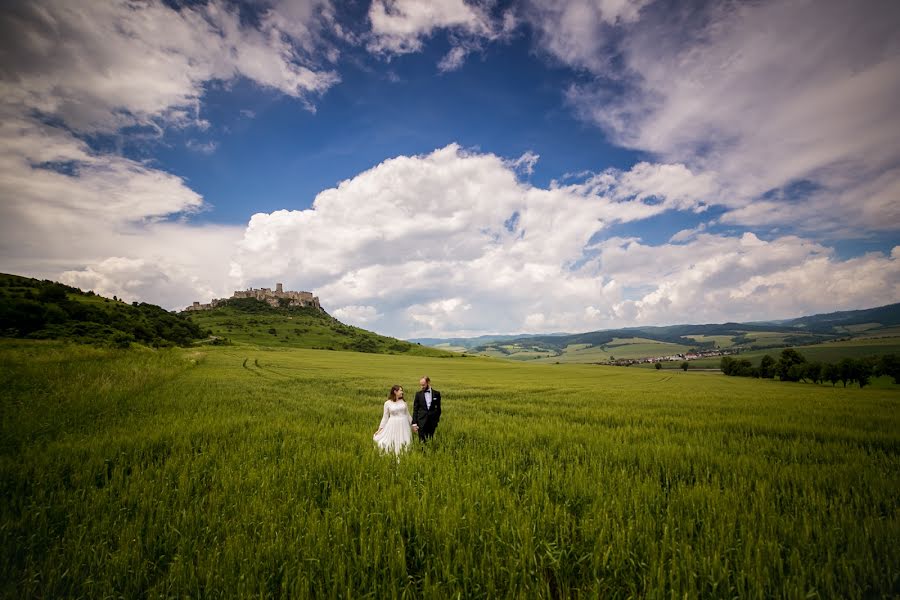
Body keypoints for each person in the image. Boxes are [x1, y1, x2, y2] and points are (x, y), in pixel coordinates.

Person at [373, 385, 412, 455]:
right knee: (392, 440)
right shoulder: (387, 403)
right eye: (400, 390)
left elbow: (408, 415)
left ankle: (404, 454)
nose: (402, 392)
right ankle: (393, 453)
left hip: (404, 424)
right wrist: (380, 429)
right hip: (393, 424)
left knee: (405, 440)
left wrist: (413, 424)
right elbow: (385, 417)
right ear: (395, 392)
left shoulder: (403, 402)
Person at [411, 376, 441, 441]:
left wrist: (436, 420)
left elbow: (438, 409)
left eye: (423, 385)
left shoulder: (436, 394)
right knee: (421, 441)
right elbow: (415, 409)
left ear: (428, 383)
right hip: (421, 421)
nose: (422, 387)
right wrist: (414, 423)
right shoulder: (418, 394)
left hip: (432, 422)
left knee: (430, 439)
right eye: (421, 385)